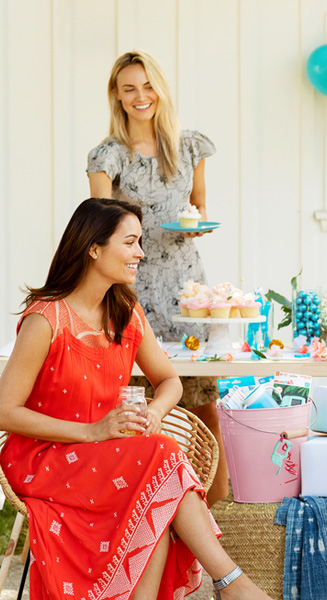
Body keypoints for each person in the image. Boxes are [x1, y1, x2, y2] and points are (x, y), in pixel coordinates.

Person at [0, 198, 272, 599]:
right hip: (48, 456)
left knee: (155, 503)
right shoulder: (46, 320)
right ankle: (231, 582)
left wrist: (156, 411)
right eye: (130, 242)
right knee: (161, 457)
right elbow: (5, 411)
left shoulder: (126, 312)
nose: (141, 253)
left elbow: (169, 380)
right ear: (94, 247)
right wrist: (93, 431)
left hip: (110, 454)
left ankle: (230, 584)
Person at [87, 50, 229, 506]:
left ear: (160, 89)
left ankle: (218, 513)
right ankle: (140, 510)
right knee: (134, 403)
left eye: (148, 86)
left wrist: (199, 222)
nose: (140, 96)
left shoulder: (190, 147)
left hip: (187, 287)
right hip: (130, 287)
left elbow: (200, 208)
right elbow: (97, 225)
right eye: (129, 88)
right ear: (117, 96)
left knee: (202, 403)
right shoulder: (107, 157)